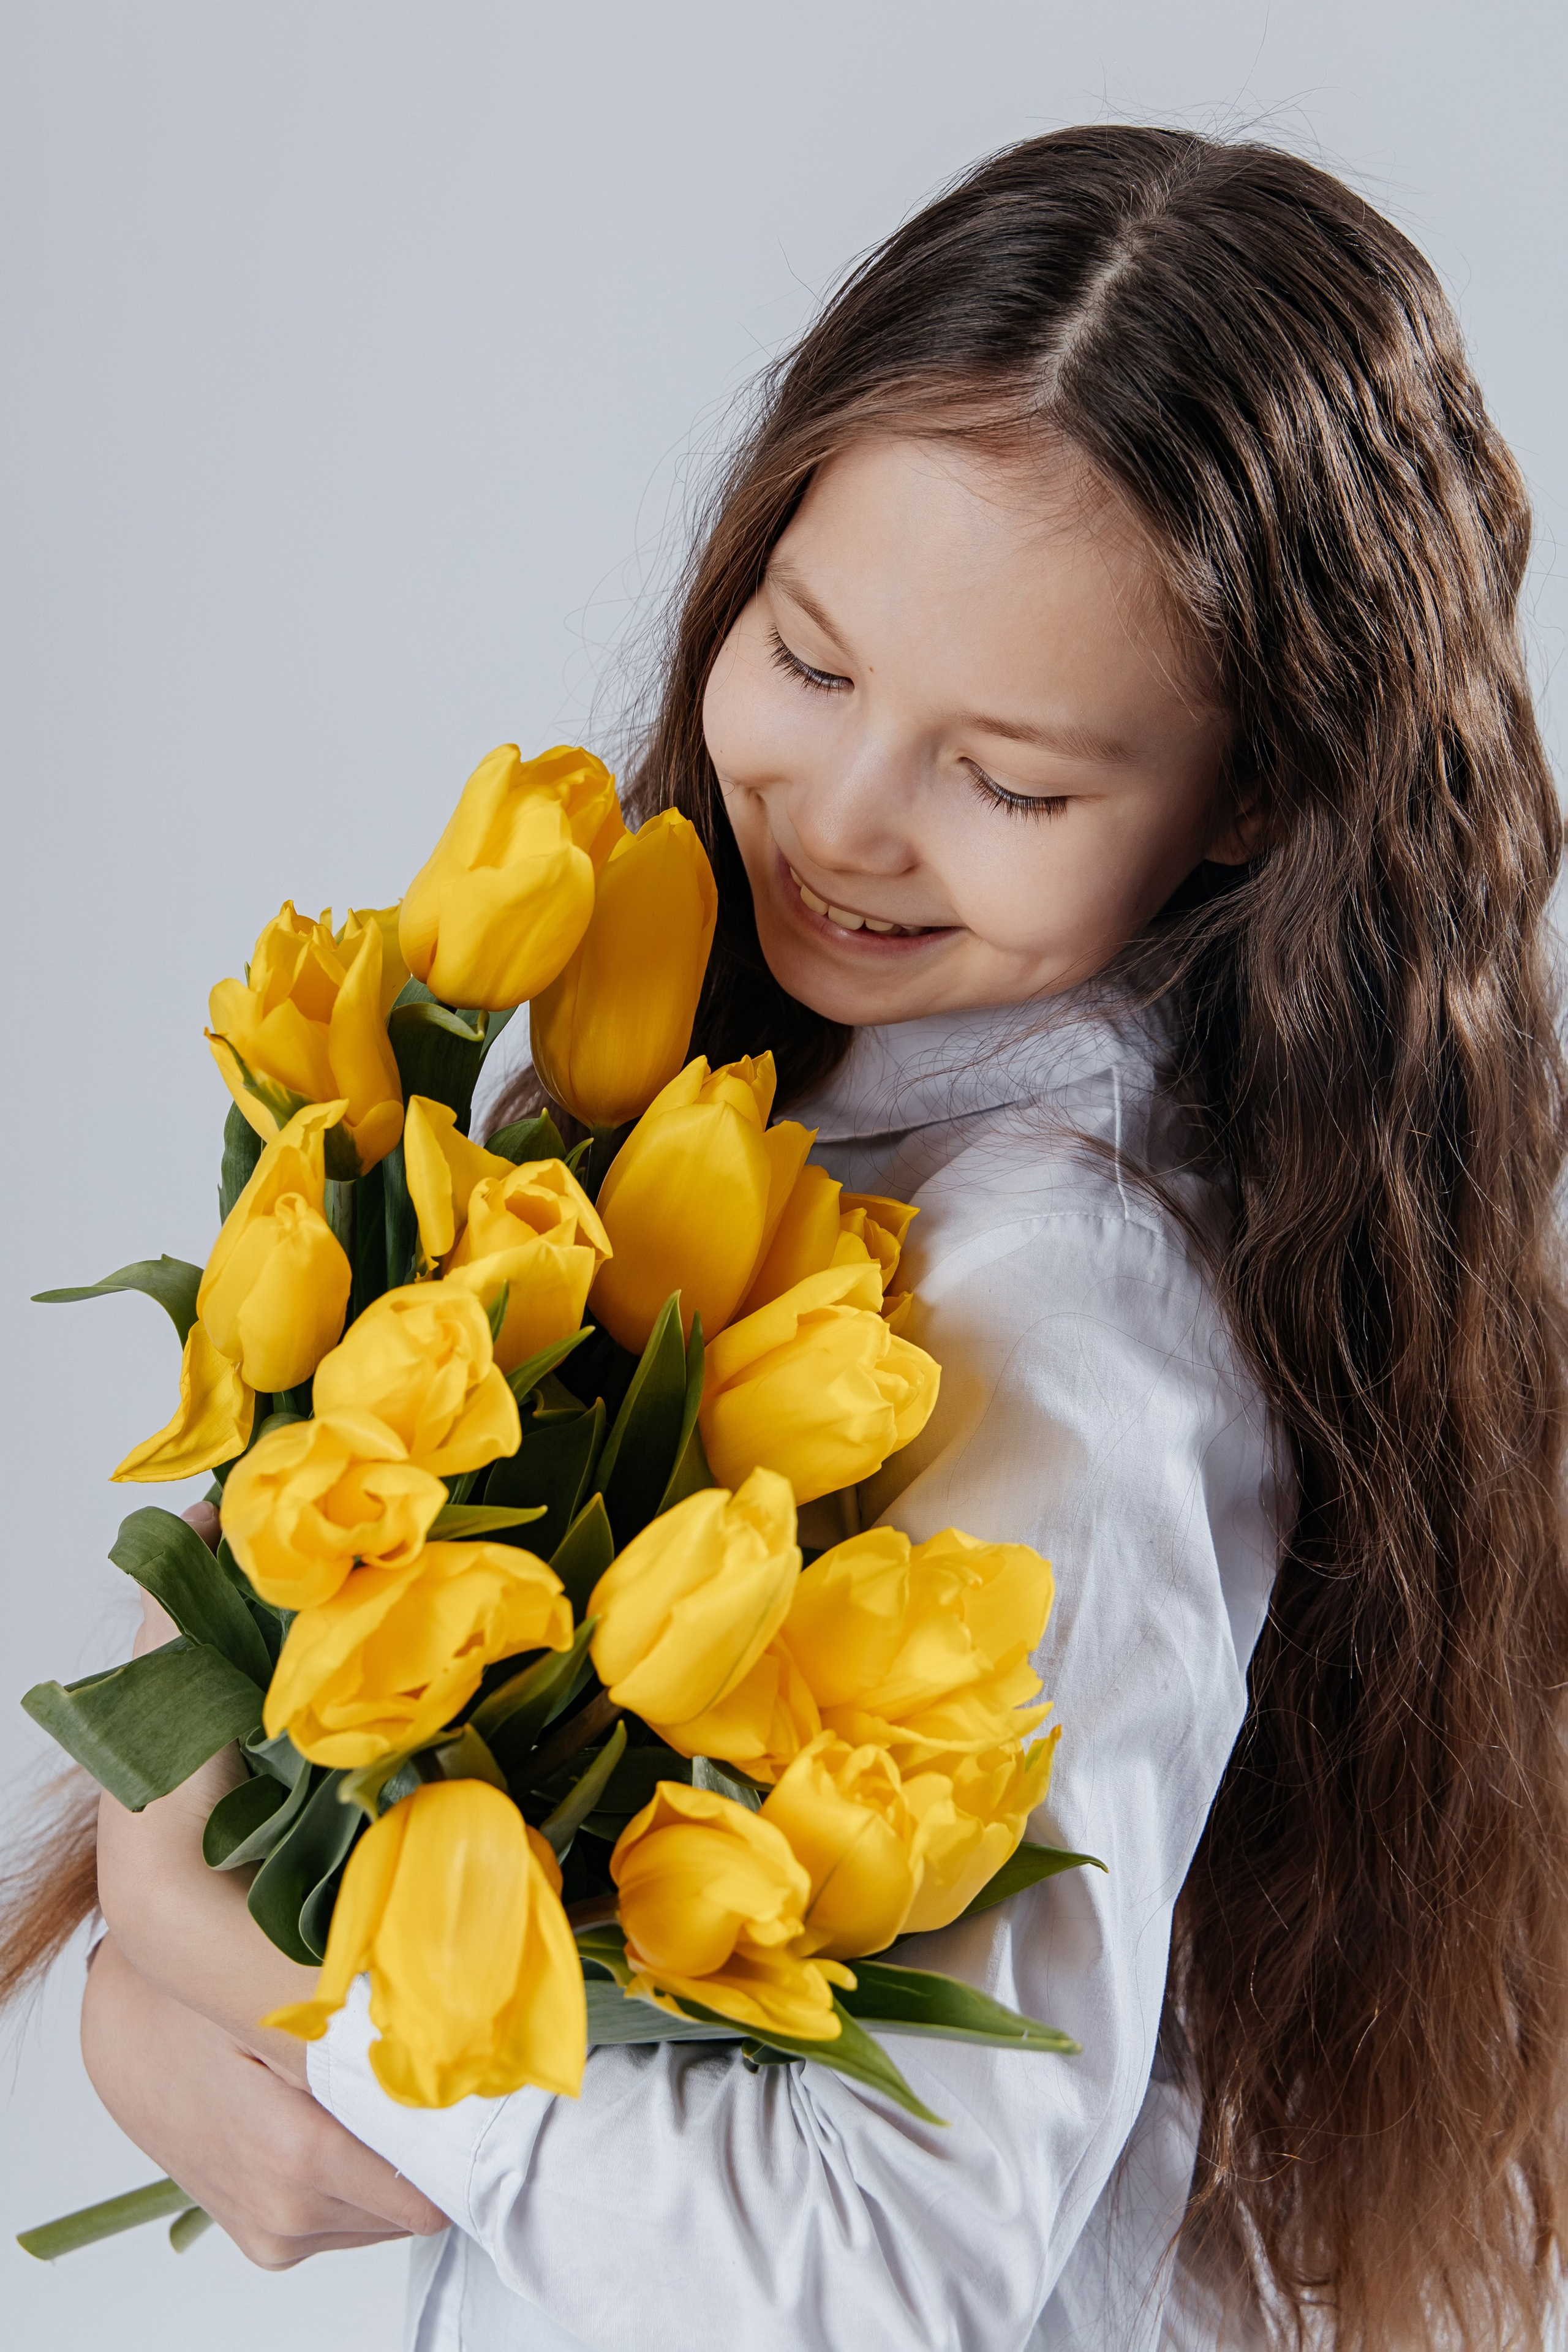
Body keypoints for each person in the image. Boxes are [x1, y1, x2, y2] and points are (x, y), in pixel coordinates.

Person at [11, 124, 1566, 2348]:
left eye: (1009, 783)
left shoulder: (1067, 1312)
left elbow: (871, 2283)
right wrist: (155, 2017)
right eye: (810, 660)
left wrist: (314, 1982)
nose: (835, 823)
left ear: (1251, 797)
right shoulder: (767, 1110)